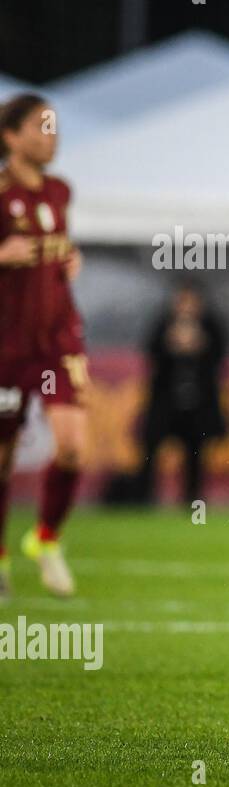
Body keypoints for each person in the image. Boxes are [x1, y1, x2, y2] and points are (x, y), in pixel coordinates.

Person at [0, 94, 87, 597]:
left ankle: (47, 537)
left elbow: (55, 250)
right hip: (7, 345)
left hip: (57, 339)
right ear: (11, 136)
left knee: (73, 448)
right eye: (41, 127)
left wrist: (69, 260)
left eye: (55, 127)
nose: (51, 136)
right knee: (3, 456)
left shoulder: (59, 191)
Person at [135, 282, 229, 506]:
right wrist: (171, 346)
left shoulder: (211, 326)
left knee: (196, 452)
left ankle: (192, 500)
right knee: (150, 449)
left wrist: (200, 347)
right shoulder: (163, 324)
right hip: (165, 403)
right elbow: (151, 354)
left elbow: (221, 357)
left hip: (199, 405)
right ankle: (143, 498)